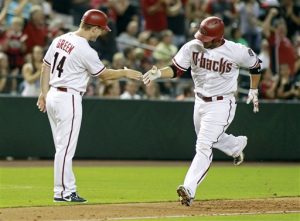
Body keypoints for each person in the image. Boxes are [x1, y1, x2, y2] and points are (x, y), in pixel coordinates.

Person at [143, 16, 261, 206]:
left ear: (219, 37)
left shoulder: (236, 51)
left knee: (204, 145)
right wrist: (159, 73)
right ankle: (235, 146)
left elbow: (256, 66)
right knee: (208, 139)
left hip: (222, 104)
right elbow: (176, 69)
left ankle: (189, 189)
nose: (202, 40)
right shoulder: (193, 46)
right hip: (199, 102)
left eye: (207, 38)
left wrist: (254, 89)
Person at [36, 9, 142, 203]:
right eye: (100, 30)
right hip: (69, 98)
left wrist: (43, 92)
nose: (101, 34)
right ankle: (64, 192)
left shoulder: (61, 39)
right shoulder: (85, 49)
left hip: (53, 94)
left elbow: (46, 66)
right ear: (93, 28)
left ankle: (64, 190)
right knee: (65, 149)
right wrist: (125, 73)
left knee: (62, 147)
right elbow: (104, 75)